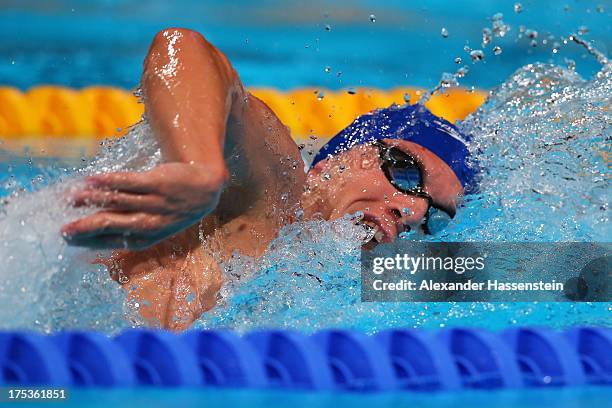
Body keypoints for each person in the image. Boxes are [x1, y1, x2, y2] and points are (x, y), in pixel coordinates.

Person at [61, 28, 478, 330]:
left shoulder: (338, 275)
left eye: (435, 216)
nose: (411, 210)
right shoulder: (277, 192)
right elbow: (181, 48)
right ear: (341, 159)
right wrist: (199, 170)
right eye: (406, 172)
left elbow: (532, 272)